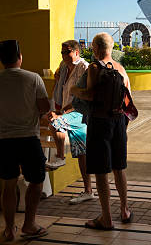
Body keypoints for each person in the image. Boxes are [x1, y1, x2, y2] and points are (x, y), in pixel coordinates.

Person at [0, 40, 50, 241]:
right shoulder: (33, 78)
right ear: (20, 57)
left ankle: (9, 228)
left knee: (8, 184)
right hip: (29, 138)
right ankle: (29, 224)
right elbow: (44, 107)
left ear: (1, 59)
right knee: (36, 181)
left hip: (3, 139)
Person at [71, 32, 132, 231]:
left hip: (100, 123)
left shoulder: (95, 67)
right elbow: (128, 102)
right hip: (119, 123)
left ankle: (106, 218)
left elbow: (90, 94)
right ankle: (124, 210)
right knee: (119, 168)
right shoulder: (122, 70)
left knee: (101, 172)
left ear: (96, 49)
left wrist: (74, 90)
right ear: (111, 48)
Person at [47, 40, 94, 204]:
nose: (64, 56)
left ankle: (60, 156)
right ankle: (88, 190)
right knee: (82, 153)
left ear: (76, 52)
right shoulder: (63, 66)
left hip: (79, 112)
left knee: (55, 123)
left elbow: (88, 93)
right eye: (62, 53)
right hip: (67, 110)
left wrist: (63, 113)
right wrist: (58, 109)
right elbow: (60, 89)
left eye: (67, 52)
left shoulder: (85, 68)